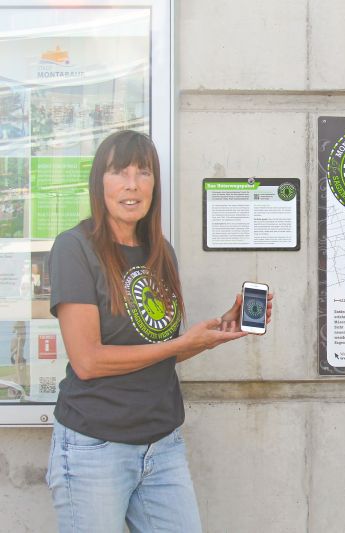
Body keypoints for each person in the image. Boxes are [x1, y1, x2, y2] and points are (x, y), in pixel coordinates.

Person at [45, 130, 273, 532]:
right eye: (119, 172)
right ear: (100, 182)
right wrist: (183, 343)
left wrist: (218, 329)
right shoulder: (74, 248)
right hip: (94, 445)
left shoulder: (159, 250)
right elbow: (88, 361)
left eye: (143, 172)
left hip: (161, 444)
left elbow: (162, 347)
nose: (132, 184)